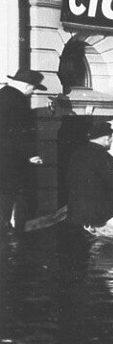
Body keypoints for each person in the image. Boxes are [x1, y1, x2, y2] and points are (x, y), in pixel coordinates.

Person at [0, 68, 46, 234]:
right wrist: (31, 154)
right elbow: (20, 131)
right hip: (10, 160)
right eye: (34, 88)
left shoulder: (2, 94)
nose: (33, 92)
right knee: (9, 195)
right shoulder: (18, 101)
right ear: (27, 86)